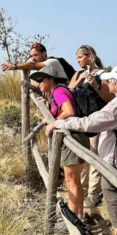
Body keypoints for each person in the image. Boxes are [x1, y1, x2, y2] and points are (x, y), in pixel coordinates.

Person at [46, 64, 117, 235]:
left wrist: (60, 122)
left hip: (115, 164)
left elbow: (90, 123)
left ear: (116, 83)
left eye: (109, 81)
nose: (106, 84)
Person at [29, 66, 89, 219]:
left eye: (41, 79)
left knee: (71, 181)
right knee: (74, 180)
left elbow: (69, 111)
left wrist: (53, 124)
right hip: (78, 137)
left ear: (51, 79)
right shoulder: (57, 93)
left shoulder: (59, 92)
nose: (39, 83)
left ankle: (73, 217)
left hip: (73, 138)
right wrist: (49, 105)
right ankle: (79, 216)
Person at [68, 45, 116, 210]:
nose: (78, 60)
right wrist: (81, 79)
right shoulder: (77, 74)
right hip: (81, 122)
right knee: (82, 159)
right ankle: (81, 191)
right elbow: (69, 91)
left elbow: (111, 98)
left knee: (95, 159)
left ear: (90, 57)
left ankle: (92, 195)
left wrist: (95, 85)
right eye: (77, 58)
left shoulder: (102, 75)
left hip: (97, 123)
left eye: (80, 57)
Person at [0, 42, 75, 81]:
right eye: (31, 56)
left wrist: (14, 66)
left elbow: (33, 65)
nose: (33, 58)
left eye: (35, 55)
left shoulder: (53, 62)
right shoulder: (43, 67)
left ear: (44, 54)